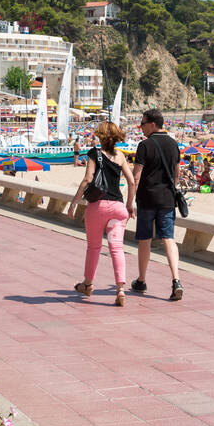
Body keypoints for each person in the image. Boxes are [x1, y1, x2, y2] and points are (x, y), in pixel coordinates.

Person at [67, 121, 136, 308]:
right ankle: (120, 289)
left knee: (94, 247)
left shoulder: (94, 153)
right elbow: (131, 182)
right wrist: (129, 205)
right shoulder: (120, 156)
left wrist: (74, 203)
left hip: (98, 207)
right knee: (117, 248)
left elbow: (88, 179)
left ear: (100, 136)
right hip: (118, 208)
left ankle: (88, 284)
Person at [130, 108, 183, 302]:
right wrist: (170, 190)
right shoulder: (173, 144)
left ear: (153, 124)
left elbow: (136, 176)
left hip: (147, 199)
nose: (140, 127)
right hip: (167, 199)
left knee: (145, 239)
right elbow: (177, 173)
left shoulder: (145, 146)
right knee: (168, 238)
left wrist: (130, 201)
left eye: (143, 123)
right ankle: (176, 280)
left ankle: (142, 280)